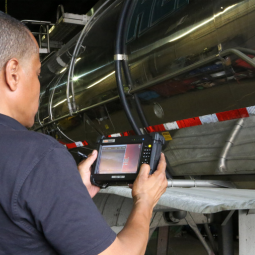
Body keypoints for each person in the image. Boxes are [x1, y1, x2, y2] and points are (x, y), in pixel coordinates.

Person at [0, 11, 168, 255]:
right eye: (37, 74)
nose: (39, 86)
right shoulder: (40, 156)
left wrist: (63, 194)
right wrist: (145, 202)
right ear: (13, 73)